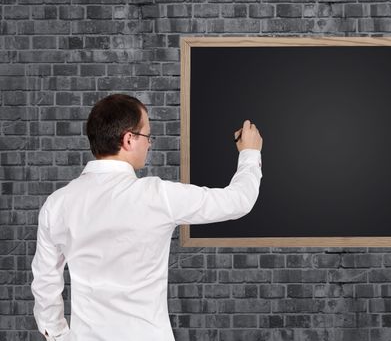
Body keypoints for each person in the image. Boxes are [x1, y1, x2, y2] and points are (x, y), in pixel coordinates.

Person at [31, 94, 263, 340]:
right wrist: (250, 152)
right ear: (129, 139)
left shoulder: (57, 204)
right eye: (147, 136)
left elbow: (45, 284)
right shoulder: (158, 196)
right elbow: (238, 201)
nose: (150, 143)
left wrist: (57, 335)